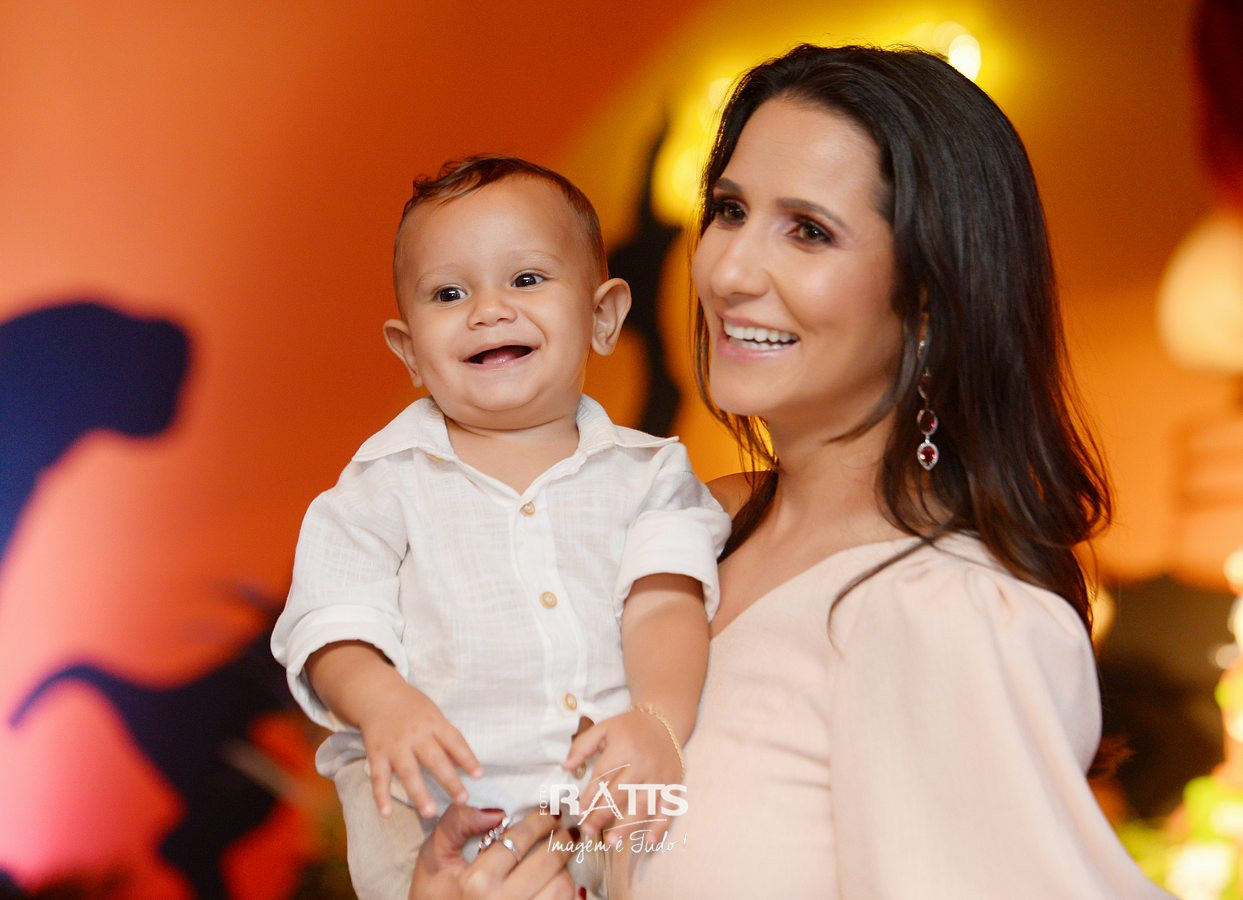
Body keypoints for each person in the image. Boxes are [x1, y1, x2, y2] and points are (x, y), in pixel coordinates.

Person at [414, 45, 1174, 898]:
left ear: (929, 298)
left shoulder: (943, 613)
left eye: (808, 230)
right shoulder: (684, 535)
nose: (728, 271)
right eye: (729, 210)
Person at [271, 156, 730, 899]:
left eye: (525, 279)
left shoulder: (649, 474)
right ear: (410, 351)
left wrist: (658, 719)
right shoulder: (381, 486)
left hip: (609, 802)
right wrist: (381, 701)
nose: (488, 310)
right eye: (449, 293)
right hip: (435, 820)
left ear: (604, 317)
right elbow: (331, 624)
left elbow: (663, 602)